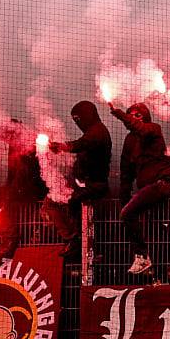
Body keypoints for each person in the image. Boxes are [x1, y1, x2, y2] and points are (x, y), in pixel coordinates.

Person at [111, 102, 170, 275]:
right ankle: (157, 272)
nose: (133, 118)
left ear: (145, 117)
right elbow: (126, 172)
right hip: (146, 190)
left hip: (162, 184)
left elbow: (142, 129)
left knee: (129, 215)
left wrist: (120, 114)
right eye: (130, 114)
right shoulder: (129, 141)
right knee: (153, 231)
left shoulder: (153, 129)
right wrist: (124, 199)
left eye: (137, 115)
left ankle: (141, 257)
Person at [44, 101, 112, 259]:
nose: (77, 122)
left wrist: (63, 147)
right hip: (87, 185)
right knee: (58, 203)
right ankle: (78, 241)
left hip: (93, 186)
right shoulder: (94, 132)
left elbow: (82, 144)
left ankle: (74, 240)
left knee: (53, 201)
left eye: (78, 118)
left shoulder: (97, 132)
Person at [0, 120, 48, 258]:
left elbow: (26, 173)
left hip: (32, 189)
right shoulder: (15, 145)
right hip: (21, 188)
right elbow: (12, 174)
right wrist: (6, 188)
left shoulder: (28, 144)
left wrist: (9, 192)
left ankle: (12, 238)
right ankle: (12, 238)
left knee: (10, 205)